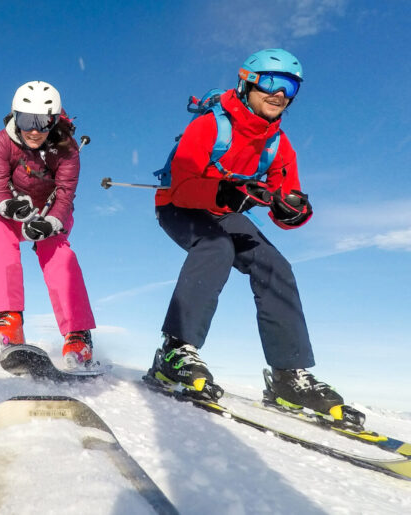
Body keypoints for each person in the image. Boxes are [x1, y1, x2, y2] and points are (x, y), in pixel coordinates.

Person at [147, 49, 352, 418]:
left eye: (291, 87)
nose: (280, 94)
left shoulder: (277, 144)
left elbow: (284, 202)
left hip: (224, 211)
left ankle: (289, 376)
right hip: (179, 204)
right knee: (215, 247)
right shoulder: (210, 125)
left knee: (275, 265)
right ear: (248, 81)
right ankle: (175, 351)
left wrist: (292, 211)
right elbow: (180, 186)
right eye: (272, 82)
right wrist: (225, 192)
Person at [0, 80, 96, 369]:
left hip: (53, 213)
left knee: (58, 253)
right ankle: (10, 319)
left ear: (55, 120)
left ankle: (78, 336)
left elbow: (65, 192)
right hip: (18, 209)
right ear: (15, 116)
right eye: (26, 120)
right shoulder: (2, 142)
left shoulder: (68, 149)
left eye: (43, 122)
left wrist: (51, 223)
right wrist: (8, 205)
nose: (34, 130)